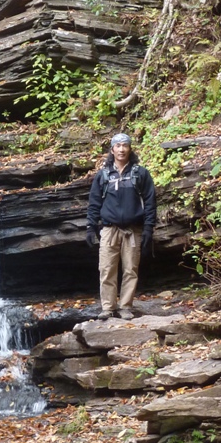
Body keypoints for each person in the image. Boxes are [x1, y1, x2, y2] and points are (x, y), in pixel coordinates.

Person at [86, 133, 156, 320]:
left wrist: (148, 229)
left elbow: (150, 202)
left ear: (130, 149)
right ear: (112, 150)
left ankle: (125, 306)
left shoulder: (140, 174)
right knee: (107, 268)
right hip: (109, 229)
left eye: (125, 145)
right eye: (118, 146)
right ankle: (108, 307)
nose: (122, 149)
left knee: (130, 269)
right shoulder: (103, 176)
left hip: (133, 230)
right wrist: (90, 227)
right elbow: (94, 203)